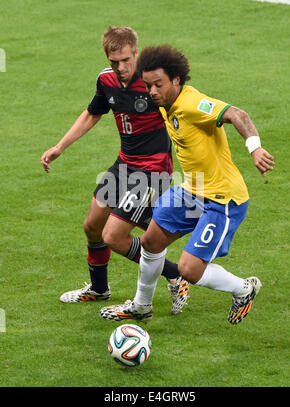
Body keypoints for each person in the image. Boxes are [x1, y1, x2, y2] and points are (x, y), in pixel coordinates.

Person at [100, 44, 275, 325]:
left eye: (158, 84)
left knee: (189, 269)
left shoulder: (193, 104)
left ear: (177, 80)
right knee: (150, 241)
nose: (152, 91)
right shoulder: (164, 103)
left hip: (222, 199)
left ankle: (244, 288)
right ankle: (141, 306)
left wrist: (254, 148)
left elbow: (238, 114)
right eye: (148, 85)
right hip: (192, 190)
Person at [40, 29, 190, 314]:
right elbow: (93, 112)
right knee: (92, 226)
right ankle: (99, 289)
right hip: (125, 163)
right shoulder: (106, 79)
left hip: (152, 170)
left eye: (125, 60)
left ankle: (175, 275)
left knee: (114, 236)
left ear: (136, 53)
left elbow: (183, 112)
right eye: (113, 61)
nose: (120, 67)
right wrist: (60, 147)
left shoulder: (152, 84)